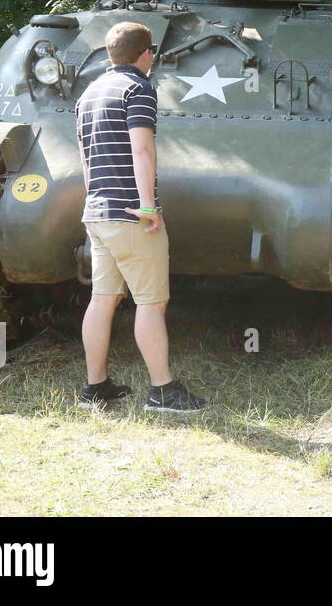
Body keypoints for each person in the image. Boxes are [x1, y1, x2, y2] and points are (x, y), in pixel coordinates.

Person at [74, 22, 206, 413]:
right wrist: (148, 206)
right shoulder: (138, 88)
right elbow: (142, 150)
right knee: (150, 302)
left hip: (97, 211)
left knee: (103, 298)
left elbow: (85, 158)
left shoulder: (89, 93)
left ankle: (95, 387)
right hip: (131, 214)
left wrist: (96, 201)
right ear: (145, 54)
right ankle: (162, 391)